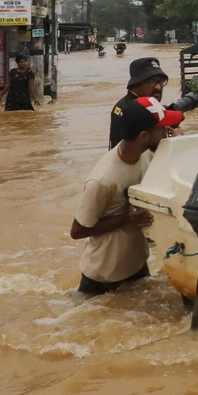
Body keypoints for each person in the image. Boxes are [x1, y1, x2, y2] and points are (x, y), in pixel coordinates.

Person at [70, 97, 181, 295]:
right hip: (104, 276)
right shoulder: (102, 180)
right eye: (163, 128)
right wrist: (126, 218)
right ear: (144, 135)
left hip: (136, 264)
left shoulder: (147, 154)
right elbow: (78, 231)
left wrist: (179, 144)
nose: (167, 131)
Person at [108, 56, 198, 148]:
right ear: (135, 84)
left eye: (161, 81)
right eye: (151, 81)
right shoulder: (133, 112)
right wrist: (177, 139)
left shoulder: (130, 105)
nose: (158, 87)